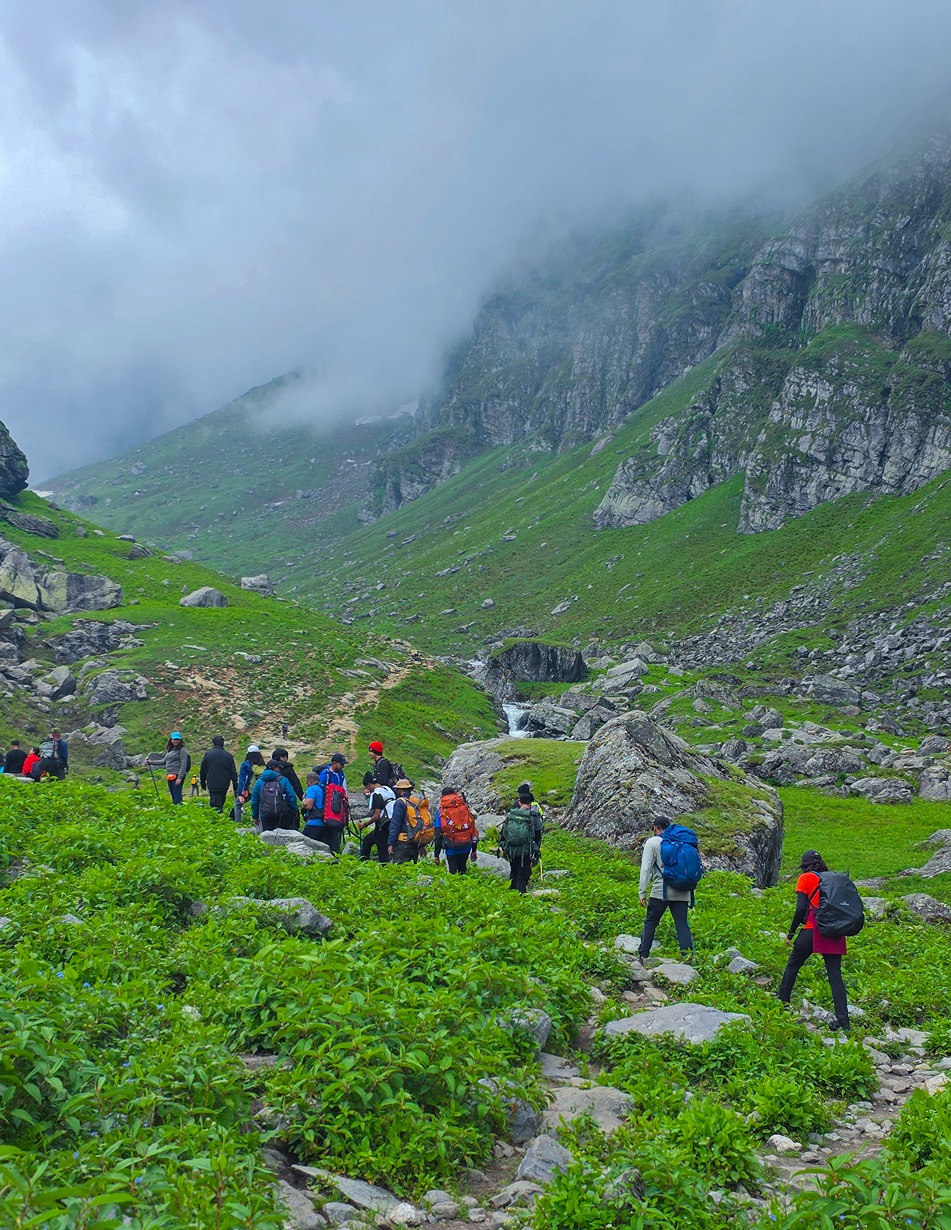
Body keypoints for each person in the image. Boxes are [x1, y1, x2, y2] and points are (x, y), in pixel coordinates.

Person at [777, 850, 851, 1033]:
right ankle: (844, 1023)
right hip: (835, 930)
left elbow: (801, 907)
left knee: (793, 964)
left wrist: (791, 933)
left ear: (805, 865)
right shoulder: (831, 878)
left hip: (813, 928)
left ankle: (782, 1003)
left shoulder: (805, 878)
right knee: (835, 977)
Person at [637, 818, 695, 960]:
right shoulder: (682, 840)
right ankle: (688, 958)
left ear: (655, 827)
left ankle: (643, 956)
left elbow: (646, 869)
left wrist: (642, 891)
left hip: (660, 891)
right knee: (682, 925)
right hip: (683, 890)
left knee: (651, 921)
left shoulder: (653, 842)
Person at [500, 793, 542, 892]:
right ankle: (520, 897)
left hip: (512, 849)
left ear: (519, 802)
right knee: (523, 874)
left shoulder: (511, 815)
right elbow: (538, 834)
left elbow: (503, 833)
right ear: (531, 803)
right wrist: (536, 849)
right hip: (526, 851)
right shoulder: (533, 817)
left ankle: (511, 894)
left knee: (514, 871)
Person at [434, 787, 479, 875]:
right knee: (463, 870)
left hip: (451, 847)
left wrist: (436, 855)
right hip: (466, 845)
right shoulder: (465, 807)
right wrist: (474, 850)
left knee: (453, 874)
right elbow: (472, 829)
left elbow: (438, 835)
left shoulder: (441, 812)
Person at [250, 759, 300, 832]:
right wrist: (294, 810)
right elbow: (291, 796)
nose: (279, 769)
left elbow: (254, 801)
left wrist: (255, 816)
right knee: (283, 836)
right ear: (274, 768)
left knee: (267, 837)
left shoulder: (259, 782)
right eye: (278, 767)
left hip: (265, 814)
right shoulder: (283, 780)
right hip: (282, 814)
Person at [359, 771, 394, 863]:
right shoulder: (388, 790)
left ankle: (364, 863)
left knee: (381, 849)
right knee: (368, 840)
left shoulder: (376, 794)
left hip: (383, 825)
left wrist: (365, 824)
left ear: (369, 784)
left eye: (367, 787)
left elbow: (376, 815)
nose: (368, 789)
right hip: (393, 822)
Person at [199, 735, 239, 812]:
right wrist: (235, 785)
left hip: (212, 781)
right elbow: (233, 771)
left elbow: (203, 769)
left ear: (213, 743)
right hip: (224, 782)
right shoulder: (228, 755)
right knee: (221, 799)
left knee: (214, 801)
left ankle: (217, 817)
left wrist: (203, 782)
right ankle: (220, 815)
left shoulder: (208, 754)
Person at [387, 779, 421, 865]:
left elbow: (395, 825)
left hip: (402, 842)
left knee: (400, 872)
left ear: (400, 790)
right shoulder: (415, 801)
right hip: (415, 841)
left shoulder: (400, 803)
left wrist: (390, 843)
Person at [164, 733, 189, 805]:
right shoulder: (170, 750)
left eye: (177, 739)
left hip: (177, 774)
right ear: (171, 740)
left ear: (180, 740)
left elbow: (184, 764)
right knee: (173, 794)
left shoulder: (182, 750)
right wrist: (151, 762)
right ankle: (176, 809)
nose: (176, 741)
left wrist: (179, 777)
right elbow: (163, 761)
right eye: (174, 739)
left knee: (177, 794)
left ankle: (179, 809)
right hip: (170, 774)